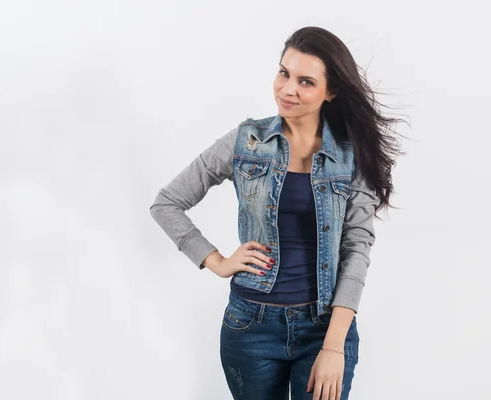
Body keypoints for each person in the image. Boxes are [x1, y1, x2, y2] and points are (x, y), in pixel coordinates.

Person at [150, 26, 403, 400]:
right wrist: (215, 260)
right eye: (284, 73)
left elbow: (357, 248)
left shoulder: (352, 155)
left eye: (305, 81)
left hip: (325, 326)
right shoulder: (246, 142)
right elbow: (166, 202)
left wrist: (333, 347)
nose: (287, 89)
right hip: (250, 326)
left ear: (330, 92)